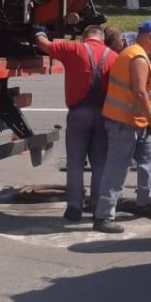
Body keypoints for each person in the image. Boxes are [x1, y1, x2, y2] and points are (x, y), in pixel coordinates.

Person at [33, 24, 124, 223]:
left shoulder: (74, 49)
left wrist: (39, 30)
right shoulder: (114, 57)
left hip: (78, 114)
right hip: (104, 114)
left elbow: (44, 45)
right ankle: (97, 206)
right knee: (100, 163)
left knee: (75, 163)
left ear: (85, 37)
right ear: (102, 38)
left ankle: (74, 209)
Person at [94, 19, 151, 234]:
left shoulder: (139, 54)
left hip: (136, 121)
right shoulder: (136, 56)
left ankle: (146, 198)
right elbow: (139, 93)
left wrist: (147, 119)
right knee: (117, 168)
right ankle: (103, 216)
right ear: (150, 36)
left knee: (150, 155)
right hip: (124, 123)